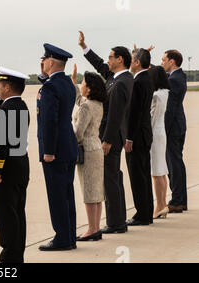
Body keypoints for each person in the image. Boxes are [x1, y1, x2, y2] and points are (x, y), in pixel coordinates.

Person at [78, 31, 134, 234]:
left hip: (111, 138)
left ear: (120, 59)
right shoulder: (118, 77)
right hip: (114, 136)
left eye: (111, 57)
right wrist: (85, 48)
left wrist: (107, 141)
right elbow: (100, 66)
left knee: (110, 179)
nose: (107, 60)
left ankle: (116, 223)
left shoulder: (120, 83)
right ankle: (118, 219)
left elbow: (116, 115)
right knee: (114, 177)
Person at [0, 67, 30, 263]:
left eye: (0, 85)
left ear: (8, 87)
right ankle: (16, 253)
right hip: (19, 168)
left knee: (6, 216)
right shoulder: (20, 106)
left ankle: (9, 256)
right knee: (18, 213)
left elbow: (0, 144)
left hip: (5, 172)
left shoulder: (6, 110)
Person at [37, 44, 78, 251]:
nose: (42, 62)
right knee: (67, 193)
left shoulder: (50, 88)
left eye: (44, 60)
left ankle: (62, 238)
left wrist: (49, 151)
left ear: (51, 62)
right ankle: (69, 235)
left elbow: (49, 121)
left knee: (57, 195)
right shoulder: (67, 84)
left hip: (56, 150)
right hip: (68, 146)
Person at [71, 65, 107, 241]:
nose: (81, 84)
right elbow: (80, 100)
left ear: (90, 88)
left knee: (88, 192)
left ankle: (92, 229)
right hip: (96, 148)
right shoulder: (97, 104)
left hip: (87, 150)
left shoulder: (86, 107)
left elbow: (78, 133)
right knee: (96, 192)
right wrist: (74, 86)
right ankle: (96, 227)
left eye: (83, 82)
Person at [125, 48, 155, 226]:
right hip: (145, 133)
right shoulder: (147, 78)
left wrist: (129, 138)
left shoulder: (138, 82)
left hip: (137, 135)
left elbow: (134, 113)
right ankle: (146, 211)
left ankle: (142, 214)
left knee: (137, 176)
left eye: (132, 59)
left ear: (137, 62)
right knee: (143, 174)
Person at [161, 50, 188, 213]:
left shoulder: (174, 79)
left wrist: (163, 130)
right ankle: (181, 200)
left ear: (172, 62)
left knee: (174, 164)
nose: (162, 62)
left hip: (173, 127)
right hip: (178, 125)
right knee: (176, 163)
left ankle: (177, 200)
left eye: (164, 60)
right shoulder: (178, 77)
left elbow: (169, 109)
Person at [148, 65, 170, 219]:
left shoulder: (156, 95)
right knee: (162, 171)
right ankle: (163, 203)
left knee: (156, 172)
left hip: (155, 133)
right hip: (161, 132)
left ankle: (160, 205)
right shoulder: (165, 92)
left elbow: (152, 118)